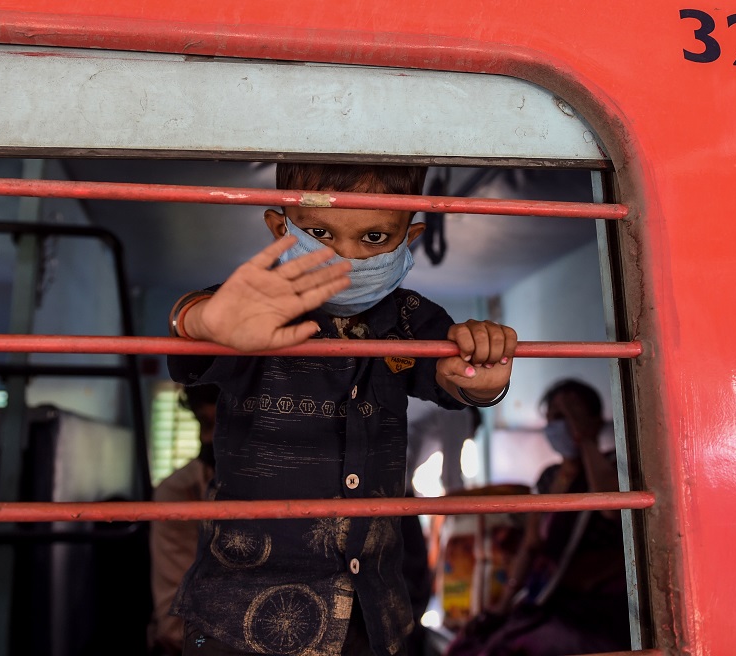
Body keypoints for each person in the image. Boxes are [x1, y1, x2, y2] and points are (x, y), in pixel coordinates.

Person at [166, 163, 518, 656]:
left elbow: (451, 380)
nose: (346, 255)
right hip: (240, 615)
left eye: (375, 236)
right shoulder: (254, 309)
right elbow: (199, 330)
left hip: (371, 614)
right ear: (279, 228)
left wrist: (483, 382)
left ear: (408, 237)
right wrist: (198, 318)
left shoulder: (412, 319)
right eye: (319, 233)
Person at [446, 379, 629, 656]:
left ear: (592, 420)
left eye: (569, 415)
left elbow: (612, 507)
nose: (561, 425)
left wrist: (586, 439)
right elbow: (531, 545)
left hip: (594, 604)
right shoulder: (548, 478)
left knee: (519, 647)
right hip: (549, 597)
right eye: (554, 417)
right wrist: (503, 605)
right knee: (471, 644)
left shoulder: (615, 467)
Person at [151, 383, 220, 655]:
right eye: (206, 425)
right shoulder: (181, 491)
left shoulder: (285, 490)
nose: (212, 438)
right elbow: (175, 625)